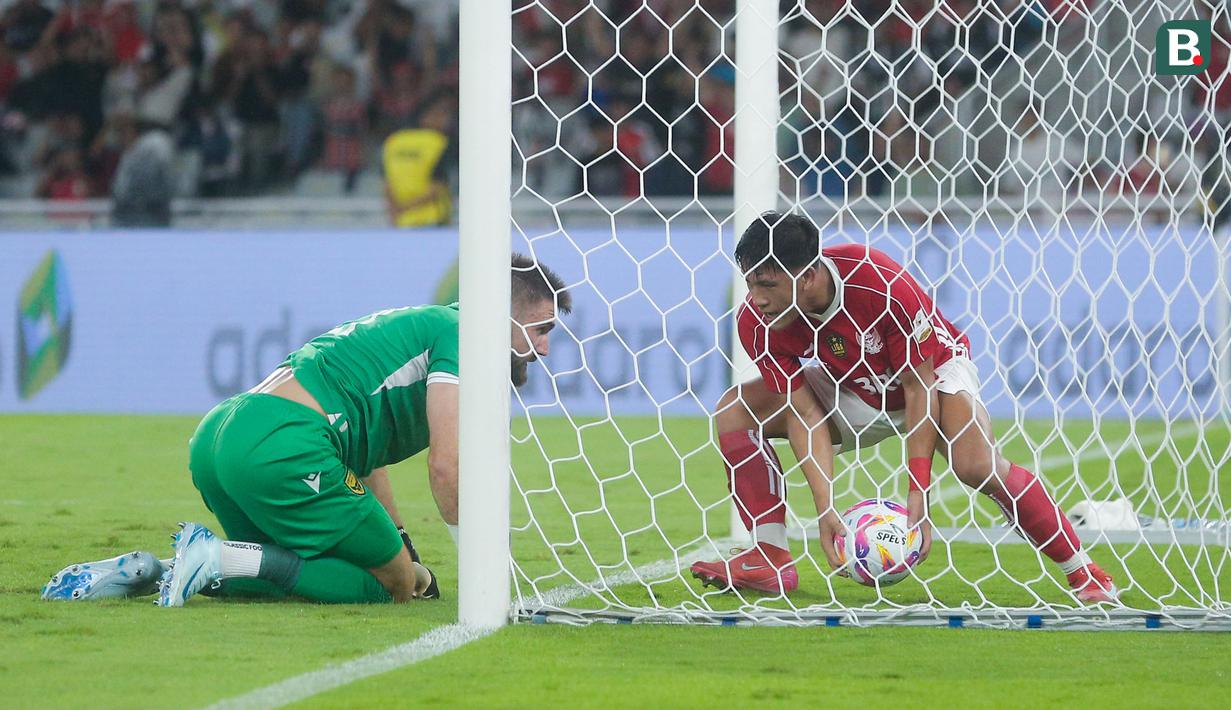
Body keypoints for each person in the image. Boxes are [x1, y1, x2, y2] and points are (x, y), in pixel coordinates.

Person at [42, 255, 572, 606]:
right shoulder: (464, 333)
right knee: (394, 587)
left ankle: (151, 571)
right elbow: (446, 466)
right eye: (542, 327)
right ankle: (215, 556)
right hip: (286, 442)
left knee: (284, 574)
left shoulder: (425, 325)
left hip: (222, 435)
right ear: (502, 313)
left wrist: (404, 541)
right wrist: (477, 578)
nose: (546, 347)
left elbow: (368, 450)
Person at [689, 212, 1117, 603]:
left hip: (930, 375)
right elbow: (804, 414)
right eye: (750, 283)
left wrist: (918, 492)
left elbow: (918, 388)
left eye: (768, 285)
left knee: (976, 466)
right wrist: (826, 509)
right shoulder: (757, 323)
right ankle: (770, 554)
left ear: (807, 276)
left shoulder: (878, 283)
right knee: (735, 410)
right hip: (853, 385)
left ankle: (1083, 571)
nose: (756, 299)